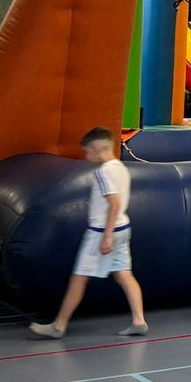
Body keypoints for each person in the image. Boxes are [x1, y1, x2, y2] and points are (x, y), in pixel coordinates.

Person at [29, 128, 147, 338]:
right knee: (124, 275)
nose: (86, 156)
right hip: (122, 228)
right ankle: (139, 320)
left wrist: (107, 236)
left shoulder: (103, 172)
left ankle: (59, 326)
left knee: (79, 278)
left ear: (97, 148)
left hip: (101, 232)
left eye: (87, 151)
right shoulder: (121, 167)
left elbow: (114, 203)